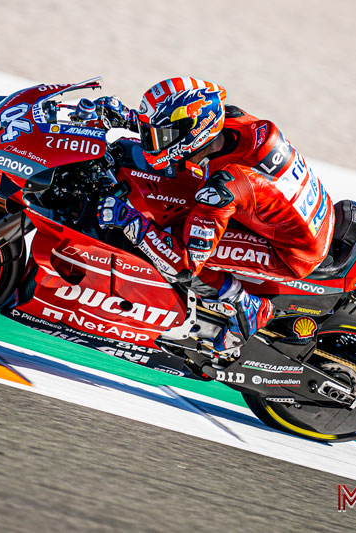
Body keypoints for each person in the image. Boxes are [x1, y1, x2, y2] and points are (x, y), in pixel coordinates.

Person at [96, 78, 335, 352]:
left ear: (193, 133)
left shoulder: (222, 189)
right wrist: (129, 119)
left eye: (158, 135)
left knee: (169, 241)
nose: (152, 141)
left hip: (293, 251)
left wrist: (129, 221)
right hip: (303, 214)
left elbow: (185, 265)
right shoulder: (232, 119)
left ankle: (246, 306)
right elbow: (180, 128)